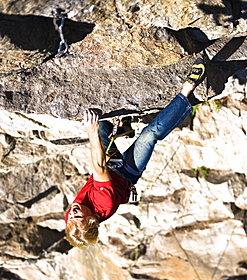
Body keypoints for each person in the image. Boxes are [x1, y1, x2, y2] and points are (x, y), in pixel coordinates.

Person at [65, 58, 206, 248]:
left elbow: (100, 168)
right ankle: (187, 90)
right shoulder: (104, 203)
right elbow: (98, 168)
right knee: (150, 135)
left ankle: (123, 128)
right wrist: (90, 133)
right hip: (128, 172)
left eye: (71, 219)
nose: (73, 213)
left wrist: (94, 131)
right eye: (78, 217)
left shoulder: (72, 218)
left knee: (101, 124)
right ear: (92, 220)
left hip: (110, 163)